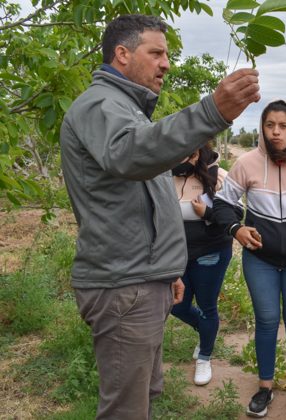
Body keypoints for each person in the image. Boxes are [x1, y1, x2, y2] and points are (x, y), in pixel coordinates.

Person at [59, 14, 259, 419]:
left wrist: (167, 269)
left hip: (141, 278)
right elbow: (132, 155)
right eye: (157, 53)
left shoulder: (126, 109)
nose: (166, 63)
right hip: (123, 286)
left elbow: (144, 200)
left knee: (145, 398)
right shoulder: (101, 105)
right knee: (126, 410)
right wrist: (209, 113)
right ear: (122, 54)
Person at [212, 99, 286, 418]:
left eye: (283, 126)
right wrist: (236, 229)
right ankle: (264, 387)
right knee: (265, 321)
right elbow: (223, 205)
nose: (276, 132)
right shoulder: (247, 163)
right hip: (260, 260)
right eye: (270, 125)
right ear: (262, 129)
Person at [170, 143, 238, 386]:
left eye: (192, 153)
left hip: (211, 251)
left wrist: (207, 214)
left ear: (201, 151)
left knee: (208, 306)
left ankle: (204, 357)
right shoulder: (167, 175)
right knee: (176, 304)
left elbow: (235, 214)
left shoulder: (218, 175)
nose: (186, 159)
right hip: (177, 252)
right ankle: (206, 330)